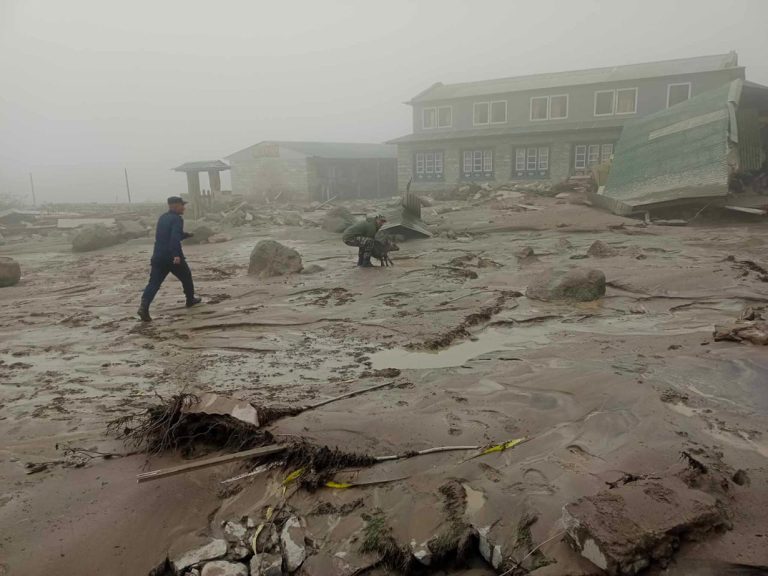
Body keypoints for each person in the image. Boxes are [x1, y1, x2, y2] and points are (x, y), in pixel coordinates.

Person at [137, 196, 201, 321]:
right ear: (175, 206)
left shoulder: (163, 218)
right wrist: (176, 255)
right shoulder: (177, 219)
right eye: (182, 205)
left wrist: (186, 235)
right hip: (172, 256)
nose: (184, 208)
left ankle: (144, 306)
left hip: (158, 255)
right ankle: (190, 300)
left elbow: (166, 236)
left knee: (154, 283)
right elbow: (174, 238)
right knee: (186, 276)